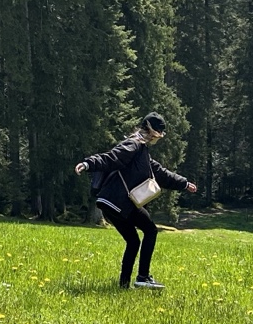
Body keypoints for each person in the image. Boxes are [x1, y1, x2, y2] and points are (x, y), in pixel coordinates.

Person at [76, 112, 198, 289]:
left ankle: (124, 285)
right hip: (119, 202)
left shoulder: (143, 152)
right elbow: (112, 157)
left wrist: (184, 183)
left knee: (133, 241)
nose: (159, 138)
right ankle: (143, 277)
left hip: (111, 203)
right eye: (159, 133)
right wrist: (89, 163)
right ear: (152, 130)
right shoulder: (134, 144)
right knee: (151, 230)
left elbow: (160, 173)